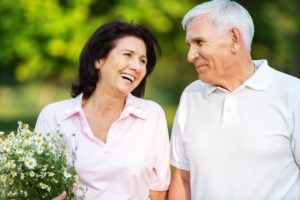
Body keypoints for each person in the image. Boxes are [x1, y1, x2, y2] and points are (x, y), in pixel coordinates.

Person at [168, 0, 300, 199]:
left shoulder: (292, 93)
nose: (190, 55)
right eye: (189, 45)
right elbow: (183, 178)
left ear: (234, 38)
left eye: (199, 43)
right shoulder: (191, 95)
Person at [35, 21, 170, 200]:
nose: (136, 67)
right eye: (128, 55)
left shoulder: (152, 116)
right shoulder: (53, 116)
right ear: (99, 60)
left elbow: (158, 189)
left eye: (142, 60)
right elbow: (36, 185)